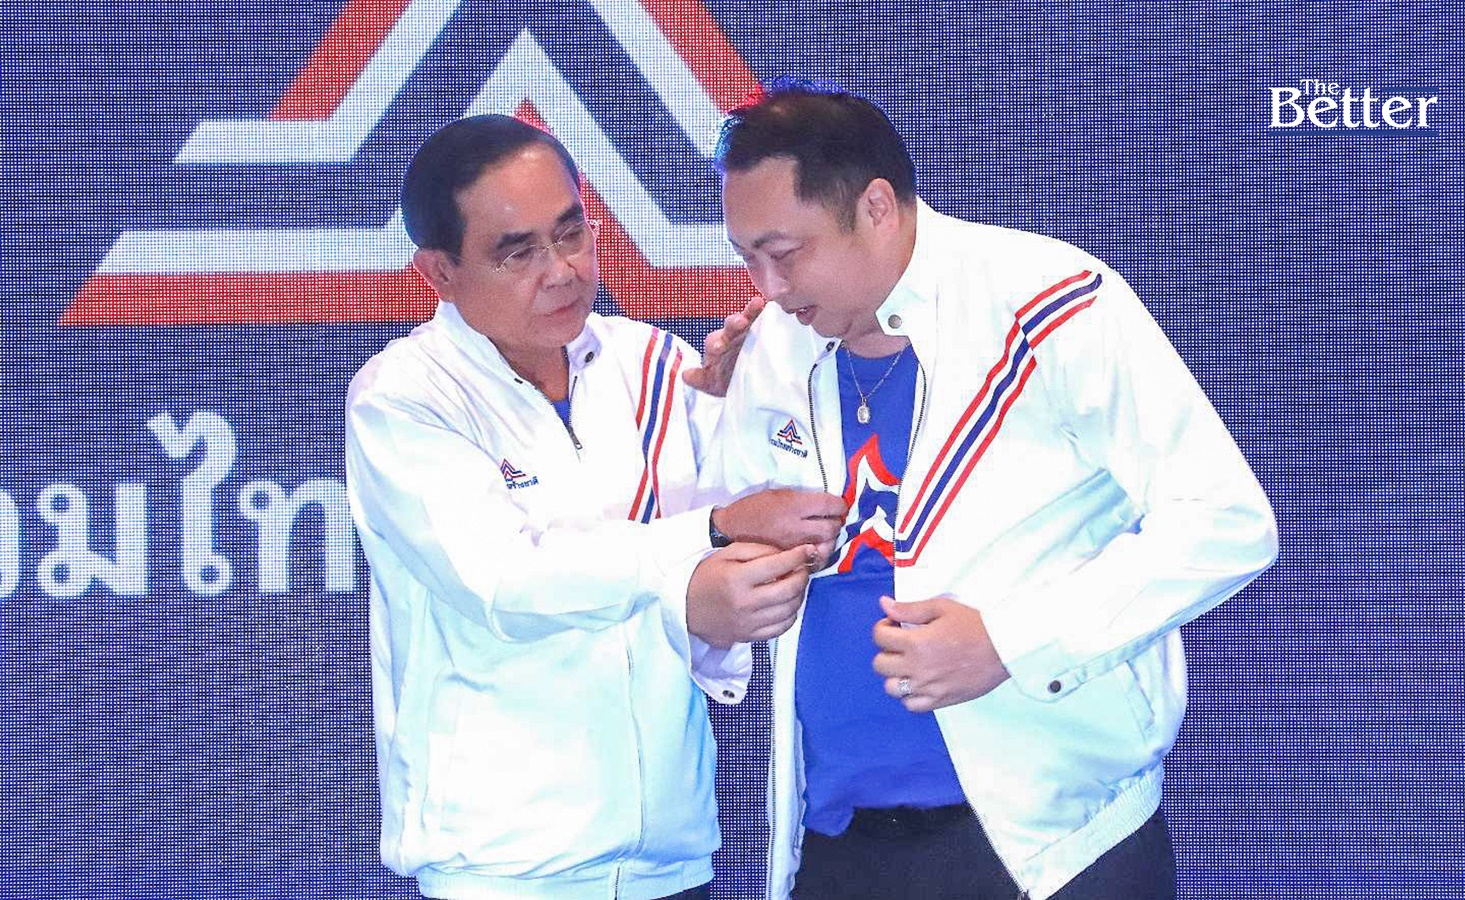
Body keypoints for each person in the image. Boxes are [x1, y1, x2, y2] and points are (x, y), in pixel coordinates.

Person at [695, 81, 1279, 900]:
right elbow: (718, 536)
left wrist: (1011, 643)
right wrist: (724, 570)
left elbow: (1226, 522)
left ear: (876, 207)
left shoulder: (1049, 301)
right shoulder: (773, 346)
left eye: (784, 254)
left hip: (1056, 849)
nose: (769, 286)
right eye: (748, 258)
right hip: (836, 842)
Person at [343, 114, 844, 899]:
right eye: (518, 253)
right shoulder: (405, 398)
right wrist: (710, 532)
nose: (562, 271)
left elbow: (762, 524)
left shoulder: (656, 363)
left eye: (572, 233)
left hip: (672, 860)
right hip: (504, 872)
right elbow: (504, 583)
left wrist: (754, 397)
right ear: (439, 271)